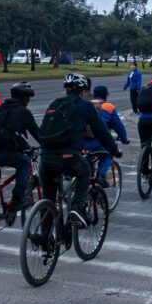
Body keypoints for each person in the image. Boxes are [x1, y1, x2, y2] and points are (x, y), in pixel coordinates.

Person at [39, 73, 119, 228]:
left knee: (48, 199)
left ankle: (44, 239)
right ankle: (76, 208)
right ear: (83, 91)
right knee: (85, 171)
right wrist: (114, 150)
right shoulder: (85, 105)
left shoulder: (54, 104)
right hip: (68, 156)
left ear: (66, 90)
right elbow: (101, 132)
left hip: (45, 156)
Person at [0, 81, 42, 212]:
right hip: (1, 152)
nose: (29, 101)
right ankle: (17, 199)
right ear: (24, 98)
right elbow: (38, 135)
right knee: (24, 162)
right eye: (28, 98)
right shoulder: (23, 112)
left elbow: (9, 133)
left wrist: (23, 145)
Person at [85, 85, 130, 186]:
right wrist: (124, 139)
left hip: (82, 141)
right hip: (98, 142)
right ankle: (100, 175)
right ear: (105, 96)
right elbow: (119, 126)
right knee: (109, 152)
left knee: (86, 158)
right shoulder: (109, 107)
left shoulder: (85, 104)